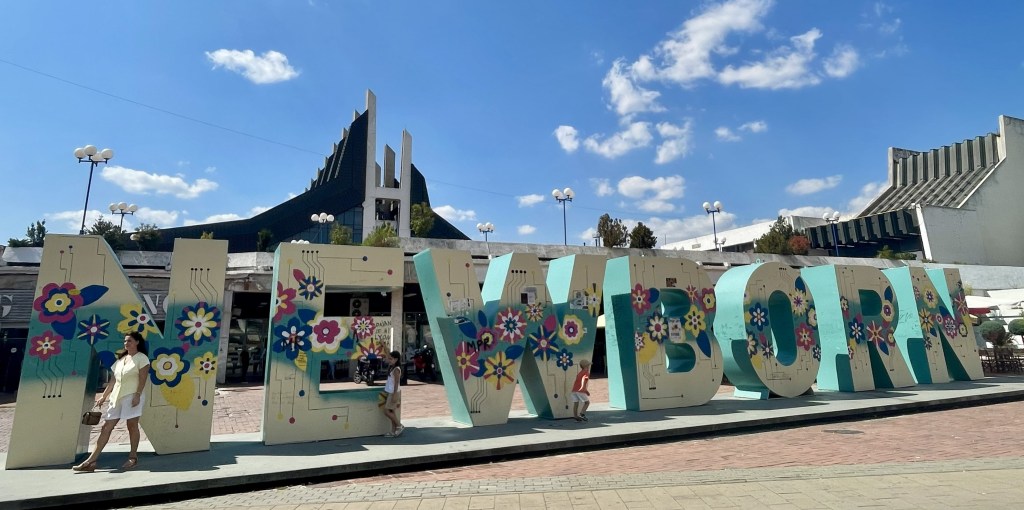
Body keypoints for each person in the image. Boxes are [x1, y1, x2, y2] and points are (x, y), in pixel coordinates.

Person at [73, 332, 151, 472]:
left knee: (132, 426)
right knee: (106, 427)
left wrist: (137, 395)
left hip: (132, 395)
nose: (126, 343)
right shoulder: (121, 359)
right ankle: (91, 461)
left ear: (137, 342)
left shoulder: (142, 358)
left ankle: (133, 457)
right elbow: (113, 380)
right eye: (125, 341)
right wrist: (104, 396)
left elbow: (143, 378)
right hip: (116, 397)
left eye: (129, 341)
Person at [380, 350, 404, 437]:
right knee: (391, 412)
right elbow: (387, 353)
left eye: (391, 359)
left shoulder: (396, 369)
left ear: (396, 359)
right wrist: (383, 345)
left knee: (386, 411)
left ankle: (399, 425)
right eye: (389, 359)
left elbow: (396, 383)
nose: (389, 360)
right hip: (391, 392)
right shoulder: (392, 367)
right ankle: (393, 431)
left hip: (393, 393)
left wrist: (394, 394)